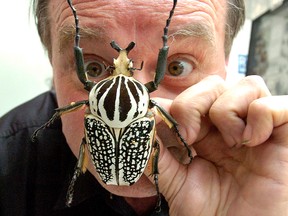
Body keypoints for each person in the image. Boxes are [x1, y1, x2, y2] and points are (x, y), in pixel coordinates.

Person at [1, 0, 288, 215]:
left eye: (178, 66)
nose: (156, 105)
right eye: (92, 67)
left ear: (226, 68)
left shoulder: (265, 164)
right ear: (53, 68)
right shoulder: (9, 159)